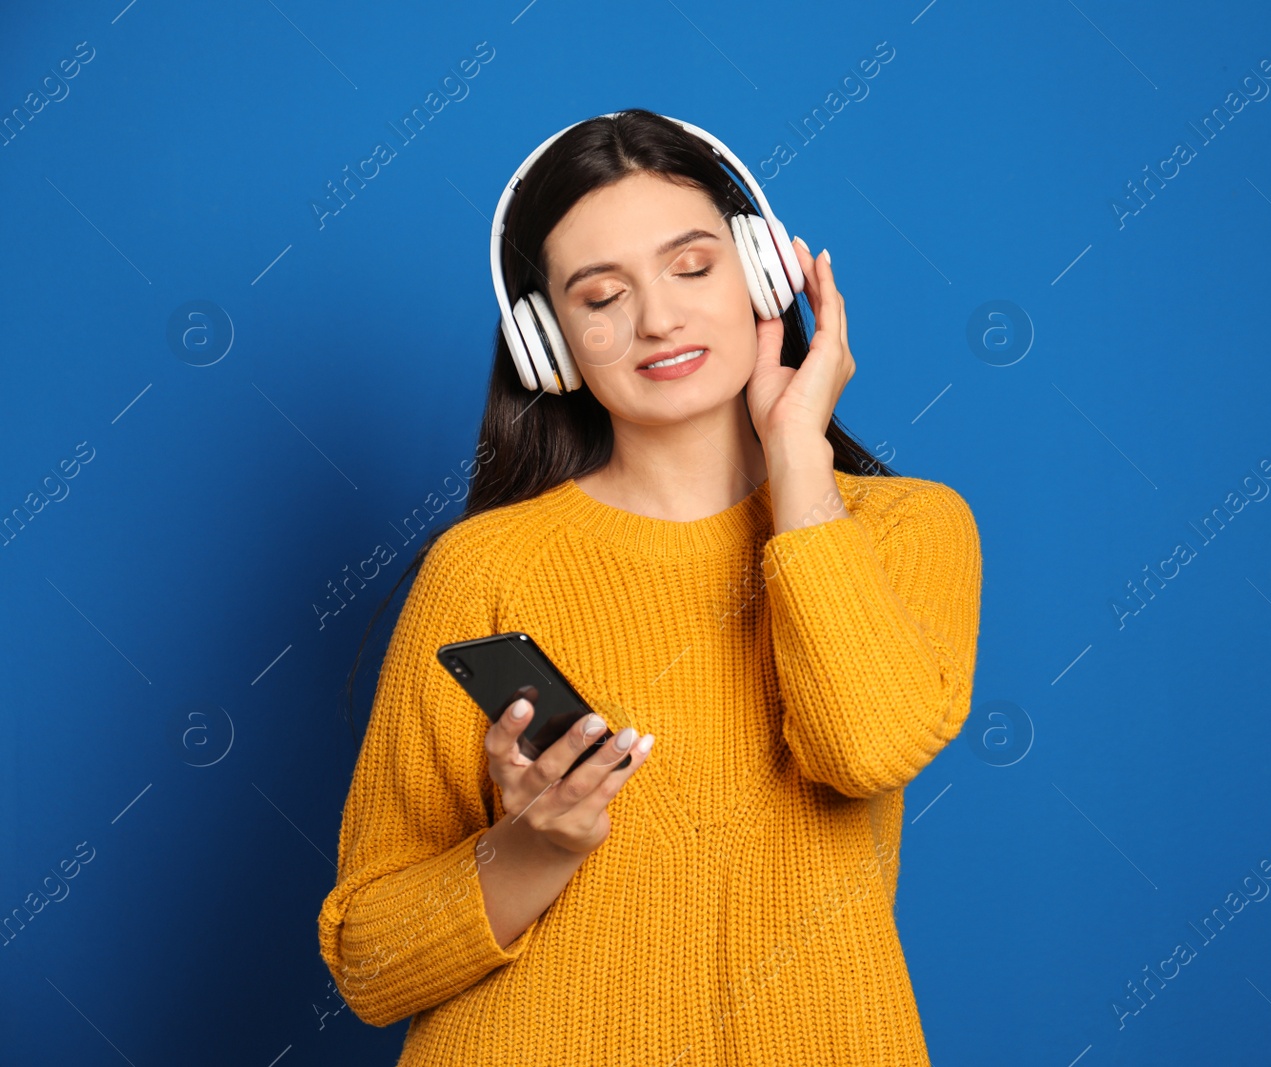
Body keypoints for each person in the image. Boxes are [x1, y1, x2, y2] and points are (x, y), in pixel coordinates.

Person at [317, 108, 983, 1066]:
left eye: (693, 266)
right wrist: (533, 845)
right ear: (550, 343)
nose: (658, 318)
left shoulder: (907, 527)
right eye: (601, 296)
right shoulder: (485, 568)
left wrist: (796, 457)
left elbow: (864, 747)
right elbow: (370, 965)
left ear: (761, 271)